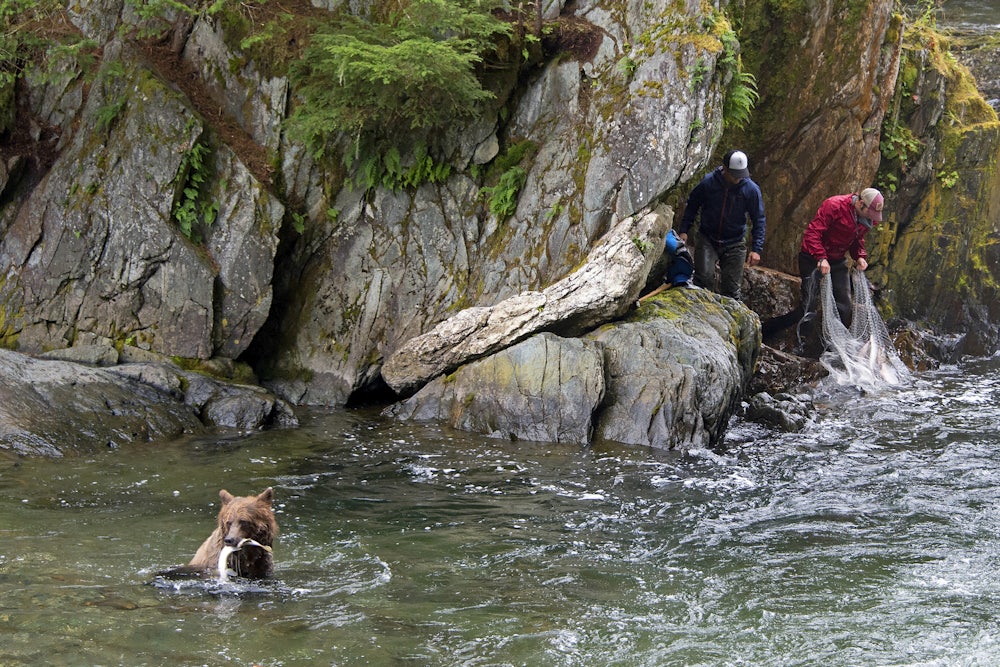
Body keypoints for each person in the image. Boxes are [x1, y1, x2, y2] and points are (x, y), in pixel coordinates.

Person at [796, 187, 885, 349]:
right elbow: (813, 233)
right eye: (870, 214)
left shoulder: (866, 219)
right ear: (861, 203)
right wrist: (821, 257)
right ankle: (801, 344)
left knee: (844, 305)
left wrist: (860, 256)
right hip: (812, 257)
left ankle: (833, 347)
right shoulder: (834, 205)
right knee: (808, 304)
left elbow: (858, 240)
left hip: (837, 261)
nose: (871, 219)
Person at [677, 149, 766, 300]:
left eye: (741, 175)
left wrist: (756, 249)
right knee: (703, 280)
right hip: (708, 238)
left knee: (732, 290)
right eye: (735, 175)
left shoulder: (751, 190)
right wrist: (684, 230)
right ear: (724, 169)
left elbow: (759, 219)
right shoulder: (709, 183)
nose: (738, 179)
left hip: (735, 242)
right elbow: (692, 205)